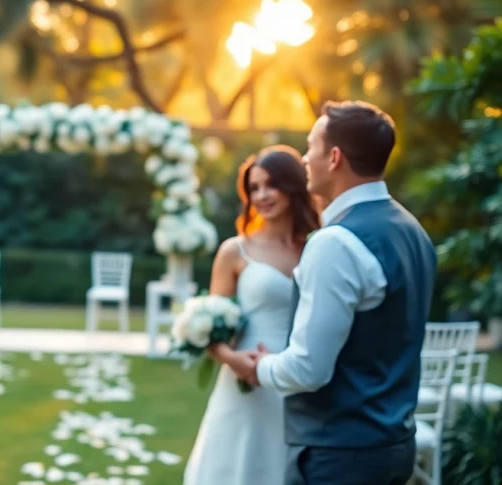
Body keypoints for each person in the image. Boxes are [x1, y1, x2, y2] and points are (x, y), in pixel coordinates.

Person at [246, 101, 436, 485]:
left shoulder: (335, 242)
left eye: (310, 146)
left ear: (334, 158)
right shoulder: (412, 229)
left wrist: (258, 367)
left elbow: (308, 369)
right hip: (394, 446)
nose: (304, 158)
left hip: (339, 457)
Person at [183, 145, 319, 485]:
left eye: (271, 184)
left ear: (292, 186)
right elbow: (210, 330)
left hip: (298, 379)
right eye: (254, 188)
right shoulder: (235, 251)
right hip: (246, 383)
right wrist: (234, 360)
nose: (262, 195)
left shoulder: (317, 248)